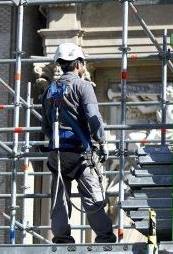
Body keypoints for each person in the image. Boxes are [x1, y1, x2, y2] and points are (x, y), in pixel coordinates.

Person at [41, 43, 116, 244]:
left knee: (59, 200)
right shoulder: (83, 87)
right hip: (80, 153)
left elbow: (45, 127)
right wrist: (101, 141)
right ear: (79, 64)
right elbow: (93, 116)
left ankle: (62, 239)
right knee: (93, 198)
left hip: (57, 154)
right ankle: (105, 239)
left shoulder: (49, 90)